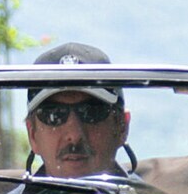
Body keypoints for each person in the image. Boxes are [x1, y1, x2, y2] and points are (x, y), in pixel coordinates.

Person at [23, 42, 136, 180]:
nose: (74, 134)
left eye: (92, 112)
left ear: (121, 127)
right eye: (54, 115)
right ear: (32, 134)